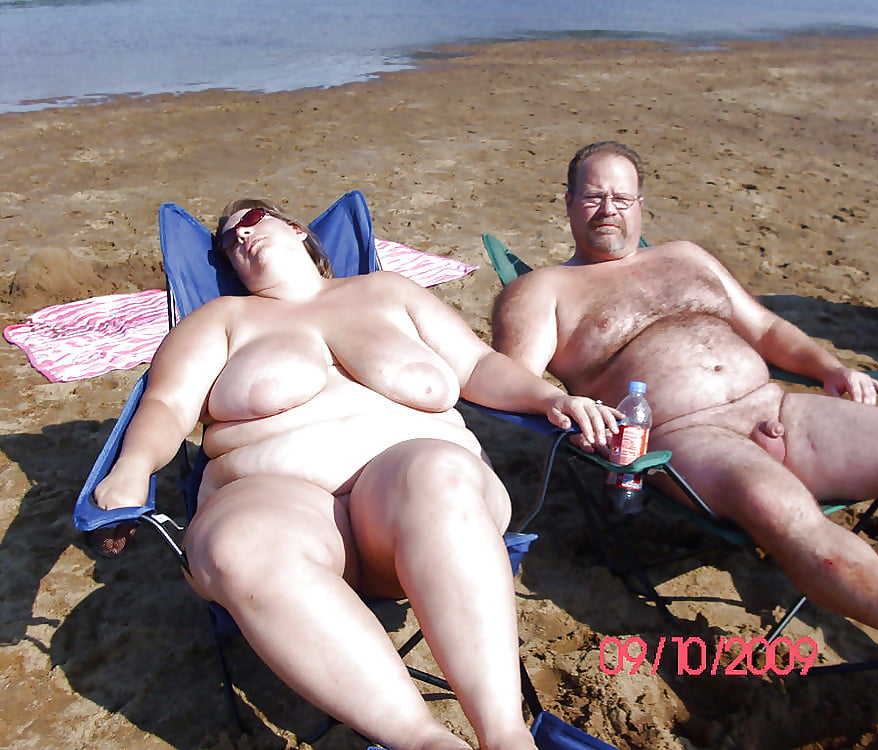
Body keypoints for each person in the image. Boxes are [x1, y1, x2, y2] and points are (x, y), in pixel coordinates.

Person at [93, 198, 622, 750]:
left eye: (248, 222)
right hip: (277, 506)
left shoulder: (389, 291)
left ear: (296, 229)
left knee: (439, 472)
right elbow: (167, 405)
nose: (239, 239)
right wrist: (133, 466)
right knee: (238, 545)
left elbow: (477, 365)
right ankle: (424, 743)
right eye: (226, 242)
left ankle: (507, 736)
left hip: (415, 502)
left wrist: (549, 399)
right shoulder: (220, 319)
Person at [490, 141, 878, 707]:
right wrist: (556, 402)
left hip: (776, 406)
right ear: (567, 202)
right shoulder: (541, 290)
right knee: (779, 507)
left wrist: (830, 368)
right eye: (593, 197)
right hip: (686, 436)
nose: (608, 209)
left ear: (640, 205)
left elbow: (767, 329)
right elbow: (508, 379)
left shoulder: (686, 257)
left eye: (621, 197)